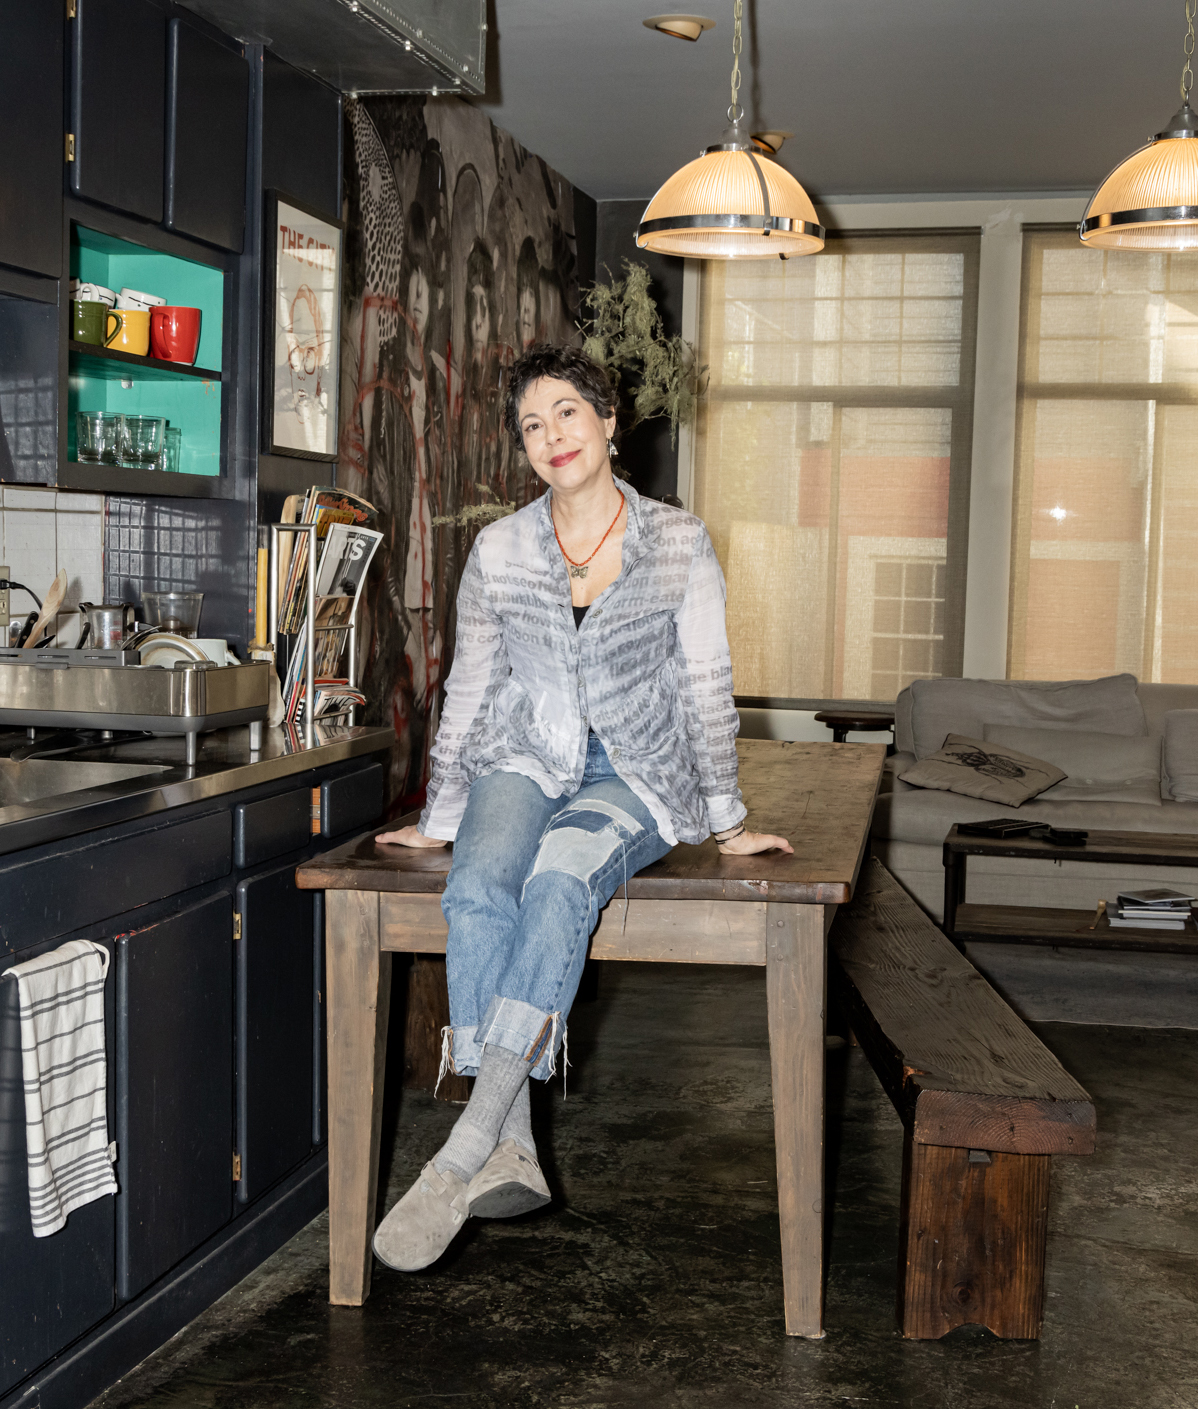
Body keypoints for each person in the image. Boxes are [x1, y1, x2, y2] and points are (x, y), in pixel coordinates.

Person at [371, 343, 792, 1272]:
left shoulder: (677, 542)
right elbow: (473, 686)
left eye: (567, 412)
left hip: (634, 770)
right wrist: (442, 816)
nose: (551, 435)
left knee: (561, 880)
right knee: (478, 885)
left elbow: (707, 687)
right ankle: (512, 1142)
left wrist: (725, 818)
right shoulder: (502, 548)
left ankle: (463, 1146)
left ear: (607, 421)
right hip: (527, 753)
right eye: (531, 424)